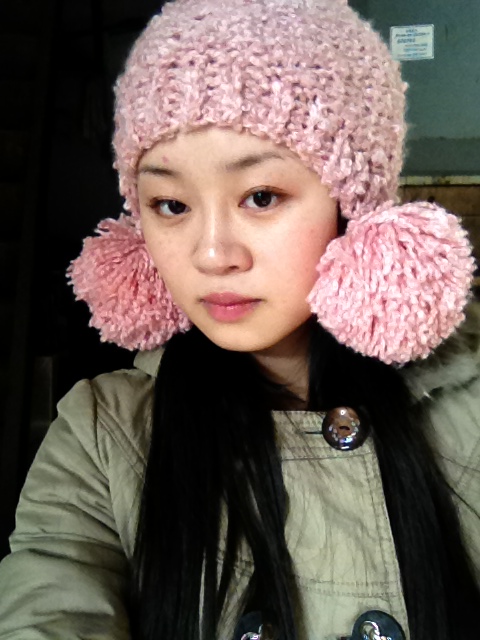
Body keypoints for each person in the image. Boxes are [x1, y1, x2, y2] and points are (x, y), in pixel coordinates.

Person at [0, 0, 479, 638]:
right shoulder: (102, 436)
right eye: (171, 204)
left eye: (260, 196)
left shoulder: (467, 412)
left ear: (354, 205)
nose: (211, 255)